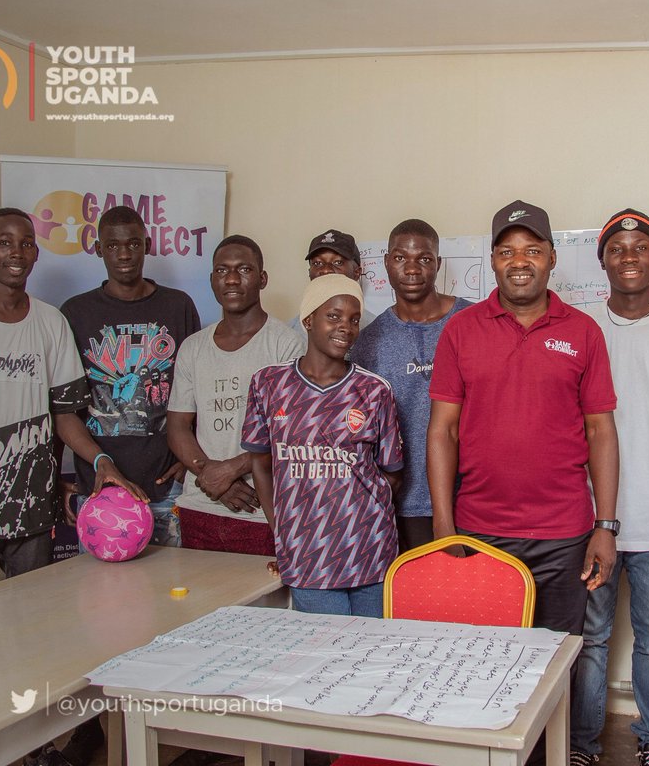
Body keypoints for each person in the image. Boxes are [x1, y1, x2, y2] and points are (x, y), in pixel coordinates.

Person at [0, 208, 143, 599]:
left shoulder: (50, 322)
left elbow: (65, 415)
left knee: (32, 625)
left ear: (36, 254)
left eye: (26, 244)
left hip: (32, 509)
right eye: (4, 243)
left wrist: (102, 462)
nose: (15, 252)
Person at [427, 199, 619, 637]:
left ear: (552, 258)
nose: (519, 262)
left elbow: (600, 431)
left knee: (556, 662)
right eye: (507, 251)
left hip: (564, 535)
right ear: (492, 261)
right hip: (480, 531)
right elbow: (443, 430)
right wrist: (443, 525)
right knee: (482, 659)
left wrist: (605, 527)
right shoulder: (461, 329)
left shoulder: (583, 331)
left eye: (532, 250)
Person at [570, 209, 649, 766]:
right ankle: (580, 745)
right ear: (602, 261)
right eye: (617, 248)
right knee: (589, 640)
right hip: (590, 518)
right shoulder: (578, 328)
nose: (629, 256)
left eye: (640, 246)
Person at [242, 274, 403, 617]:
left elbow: (391, 474)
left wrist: (354, 512)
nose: (345, 327)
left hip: (369, 551)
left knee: (369, 656)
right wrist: (282, 530)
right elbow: (260, 462)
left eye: (354, 319)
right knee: (324, 658)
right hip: (307, 554)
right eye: (333, 316)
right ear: (308, 319)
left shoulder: (374, 390)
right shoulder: (269, 384)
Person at [61, 205, 201, 551]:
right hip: (100, 490)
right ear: (98, 249)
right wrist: (94, 464)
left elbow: (199, 390)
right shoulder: (75, 313)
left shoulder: (178, 305)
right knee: (104, 597)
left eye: (133, 244)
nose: (124, 254)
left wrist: (189, 458)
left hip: (167, 487)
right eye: (113, 245)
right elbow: (63, 410)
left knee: (175, 593)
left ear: (147, 245)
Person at [167, 235, 304, 556]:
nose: (231, 278)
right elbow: (177, 426)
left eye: (243, 269)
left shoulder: (285, 344)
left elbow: (292, 430)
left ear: (262, 278)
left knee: (263, 605)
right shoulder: (193, 347)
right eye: (221, 270)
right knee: (197, 603)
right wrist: (211, 474)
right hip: (201, 503)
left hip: (261, 508)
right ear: (212, 279)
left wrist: (231, 470)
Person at [351, 218, 471, 552]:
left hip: (471, 500)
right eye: (401, 258)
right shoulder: (367, 342)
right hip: (400, 504)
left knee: (473, 602)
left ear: (438, 264)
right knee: (411, 603)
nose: (412, 268)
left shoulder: (472, 322)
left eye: (424, 258)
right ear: (387, 262)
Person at [290, 229, 376, 341]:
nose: (326, 270)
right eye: (317, 263)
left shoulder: (375, 329)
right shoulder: (290, 332)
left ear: (357, 273)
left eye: (338, 262)